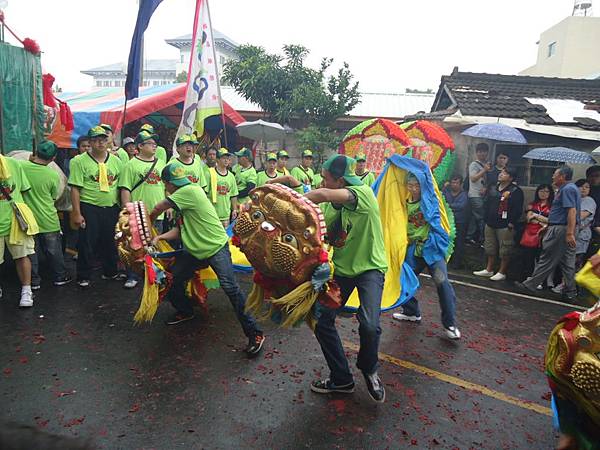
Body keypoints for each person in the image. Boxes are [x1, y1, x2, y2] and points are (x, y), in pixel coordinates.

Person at [285, 154, 388, 403]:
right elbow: (312, 226)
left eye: (326, 178)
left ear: (340, 181)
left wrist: (289, 201)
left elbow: (319, 196)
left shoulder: (361, 192)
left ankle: (369, 369)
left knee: (369, 325)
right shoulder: (330, 207)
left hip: (370, 269)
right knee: (322, 320)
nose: (322, 183)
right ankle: (341, 378)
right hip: (342, 270)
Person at [148, 161, 265, 357]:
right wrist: (159, 236)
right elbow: (181, 229)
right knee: (171, 279)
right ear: (168, 183)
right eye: (174, 184)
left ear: (166, 184)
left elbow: (160, 206)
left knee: (230, 288)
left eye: (177, 184)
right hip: (195, 251)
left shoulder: (190, 191)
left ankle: (255, 333)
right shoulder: (184, 199)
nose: (176, 187)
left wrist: (148, 221)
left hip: (215, 248)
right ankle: (186, 310)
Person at [393, 174, 461, 340]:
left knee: (442, 283)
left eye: (417, 185)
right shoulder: (403, 201)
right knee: (403, 280)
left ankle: (450, 324)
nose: (414, 188)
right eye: (410, 185)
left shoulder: (431, 201)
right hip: (414, 249)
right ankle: (411, 311)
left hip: (432, 249)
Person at [68, 126, 123, 288]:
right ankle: (83, 275)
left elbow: (120, 187)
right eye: (96, 140)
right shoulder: (78, 161)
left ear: (108, 141)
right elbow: (75, 189)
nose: (100, 143)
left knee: (110, 240)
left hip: (111, 207)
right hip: (89, 206)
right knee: (87, 242)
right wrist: (77, 213)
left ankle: (110, 271)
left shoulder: (116, 161)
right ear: (90, 142)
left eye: (103, 139)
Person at [516, 166, 581, 302]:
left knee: (547, 257)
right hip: (562, 227)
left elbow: (571, 211)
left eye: (555, 174)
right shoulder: (569, 189)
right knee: (567, 261)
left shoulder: (568, 189)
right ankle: (570, 291)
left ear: (562, 176)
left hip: (561, 229)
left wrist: (569, 232)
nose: (552, 177)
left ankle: (530, 285)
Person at [118, 130, 166, 289]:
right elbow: (125, 189)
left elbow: (166, 186)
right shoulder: (130, 165)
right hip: (137, 213)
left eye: (155, 143)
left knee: (154, 244)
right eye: (150, 143)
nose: (154, 146)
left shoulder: (160, 163)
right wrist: (126, 211)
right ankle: (132, 276)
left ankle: (153, 274)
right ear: (140, 146)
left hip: (157, 212)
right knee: (135, 246)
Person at [22, 141, 71, 291]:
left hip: (28, 219)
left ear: (35, 152)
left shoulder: (22, 168)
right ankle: (60, 276)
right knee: (53, 250)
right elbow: (54, 197)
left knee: (32, 251)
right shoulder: (52, 174)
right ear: (53, 158)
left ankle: (34, 281)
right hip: (48, 219)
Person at [473, 167, 524, 281]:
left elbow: (517, 209)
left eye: (505, 173)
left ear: (510, 178)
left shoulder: (515, 191)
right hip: (490, 222)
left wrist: (512, 222)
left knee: (505, 248)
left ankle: (502, 272)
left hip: (505, 224)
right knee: (490, 247)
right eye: (501, 172)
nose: (501, 174)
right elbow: (487, 203)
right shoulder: (493, 187)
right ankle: (489, 269)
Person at [0, 153, 35, 306]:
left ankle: (26, 291)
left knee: (22, 256)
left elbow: (24, 190)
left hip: (15, 220)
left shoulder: (14, 164)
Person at [517, 184, 553, 282]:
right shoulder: (532, 204)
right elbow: (529, 218)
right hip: (529, 234)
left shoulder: (552, 206)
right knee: (528, 257)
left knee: (540, 258)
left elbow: (551, 220)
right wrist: (542, 221)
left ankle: (538, 281)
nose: (543, 194)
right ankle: (527, 277)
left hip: (543, 235)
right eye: (541, 191)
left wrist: (536, 216)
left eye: (546, 191)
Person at [206, 148, 238, 227]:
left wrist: (234, 209)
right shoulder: (209, 173)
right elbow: (204, 193)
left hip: (225, 215)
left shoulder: (231, 176)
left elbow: (233, 195)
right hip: (211, 214)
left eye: (228, 158)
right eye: (223, 158)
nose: (226, 160)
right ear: (217, 160)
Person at [466, 143, 491, 244]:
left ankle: (469, 237)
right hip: (475, 195)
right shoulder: (474, 164)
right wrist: (484, 170)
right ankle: (482, 239)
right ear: (476, 153)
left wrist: (485, 187)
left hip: (482, 195)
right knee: (481, 217)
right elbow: (473, 178)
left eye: (484, 151)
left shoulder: (487, 164)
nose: (482, 153)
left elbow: (487, 180)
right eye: (479, 151)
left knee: (474, 217)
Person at [443, 174, 468, 269]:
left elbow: (461, 206)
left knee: (459, 243)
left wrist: (448, 206)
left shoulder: (464, 194)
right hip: (447, 221)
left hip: (459, 222)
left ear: (461, 184)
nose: (454, 185)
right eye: (453, 182)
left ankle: (456, 263)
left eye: (457, 183)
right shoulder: (446, 191)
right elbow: (441, 202)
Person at [574, 179, 596, 271]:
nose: (584, 189)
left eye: (587, 187)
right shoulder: (574, 200)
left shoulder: (589, 200)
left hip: (581, 234)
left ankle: (570, 284)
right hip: (571, 233)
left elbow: (580, 216)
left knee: (576, 261)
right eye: (581, 186)